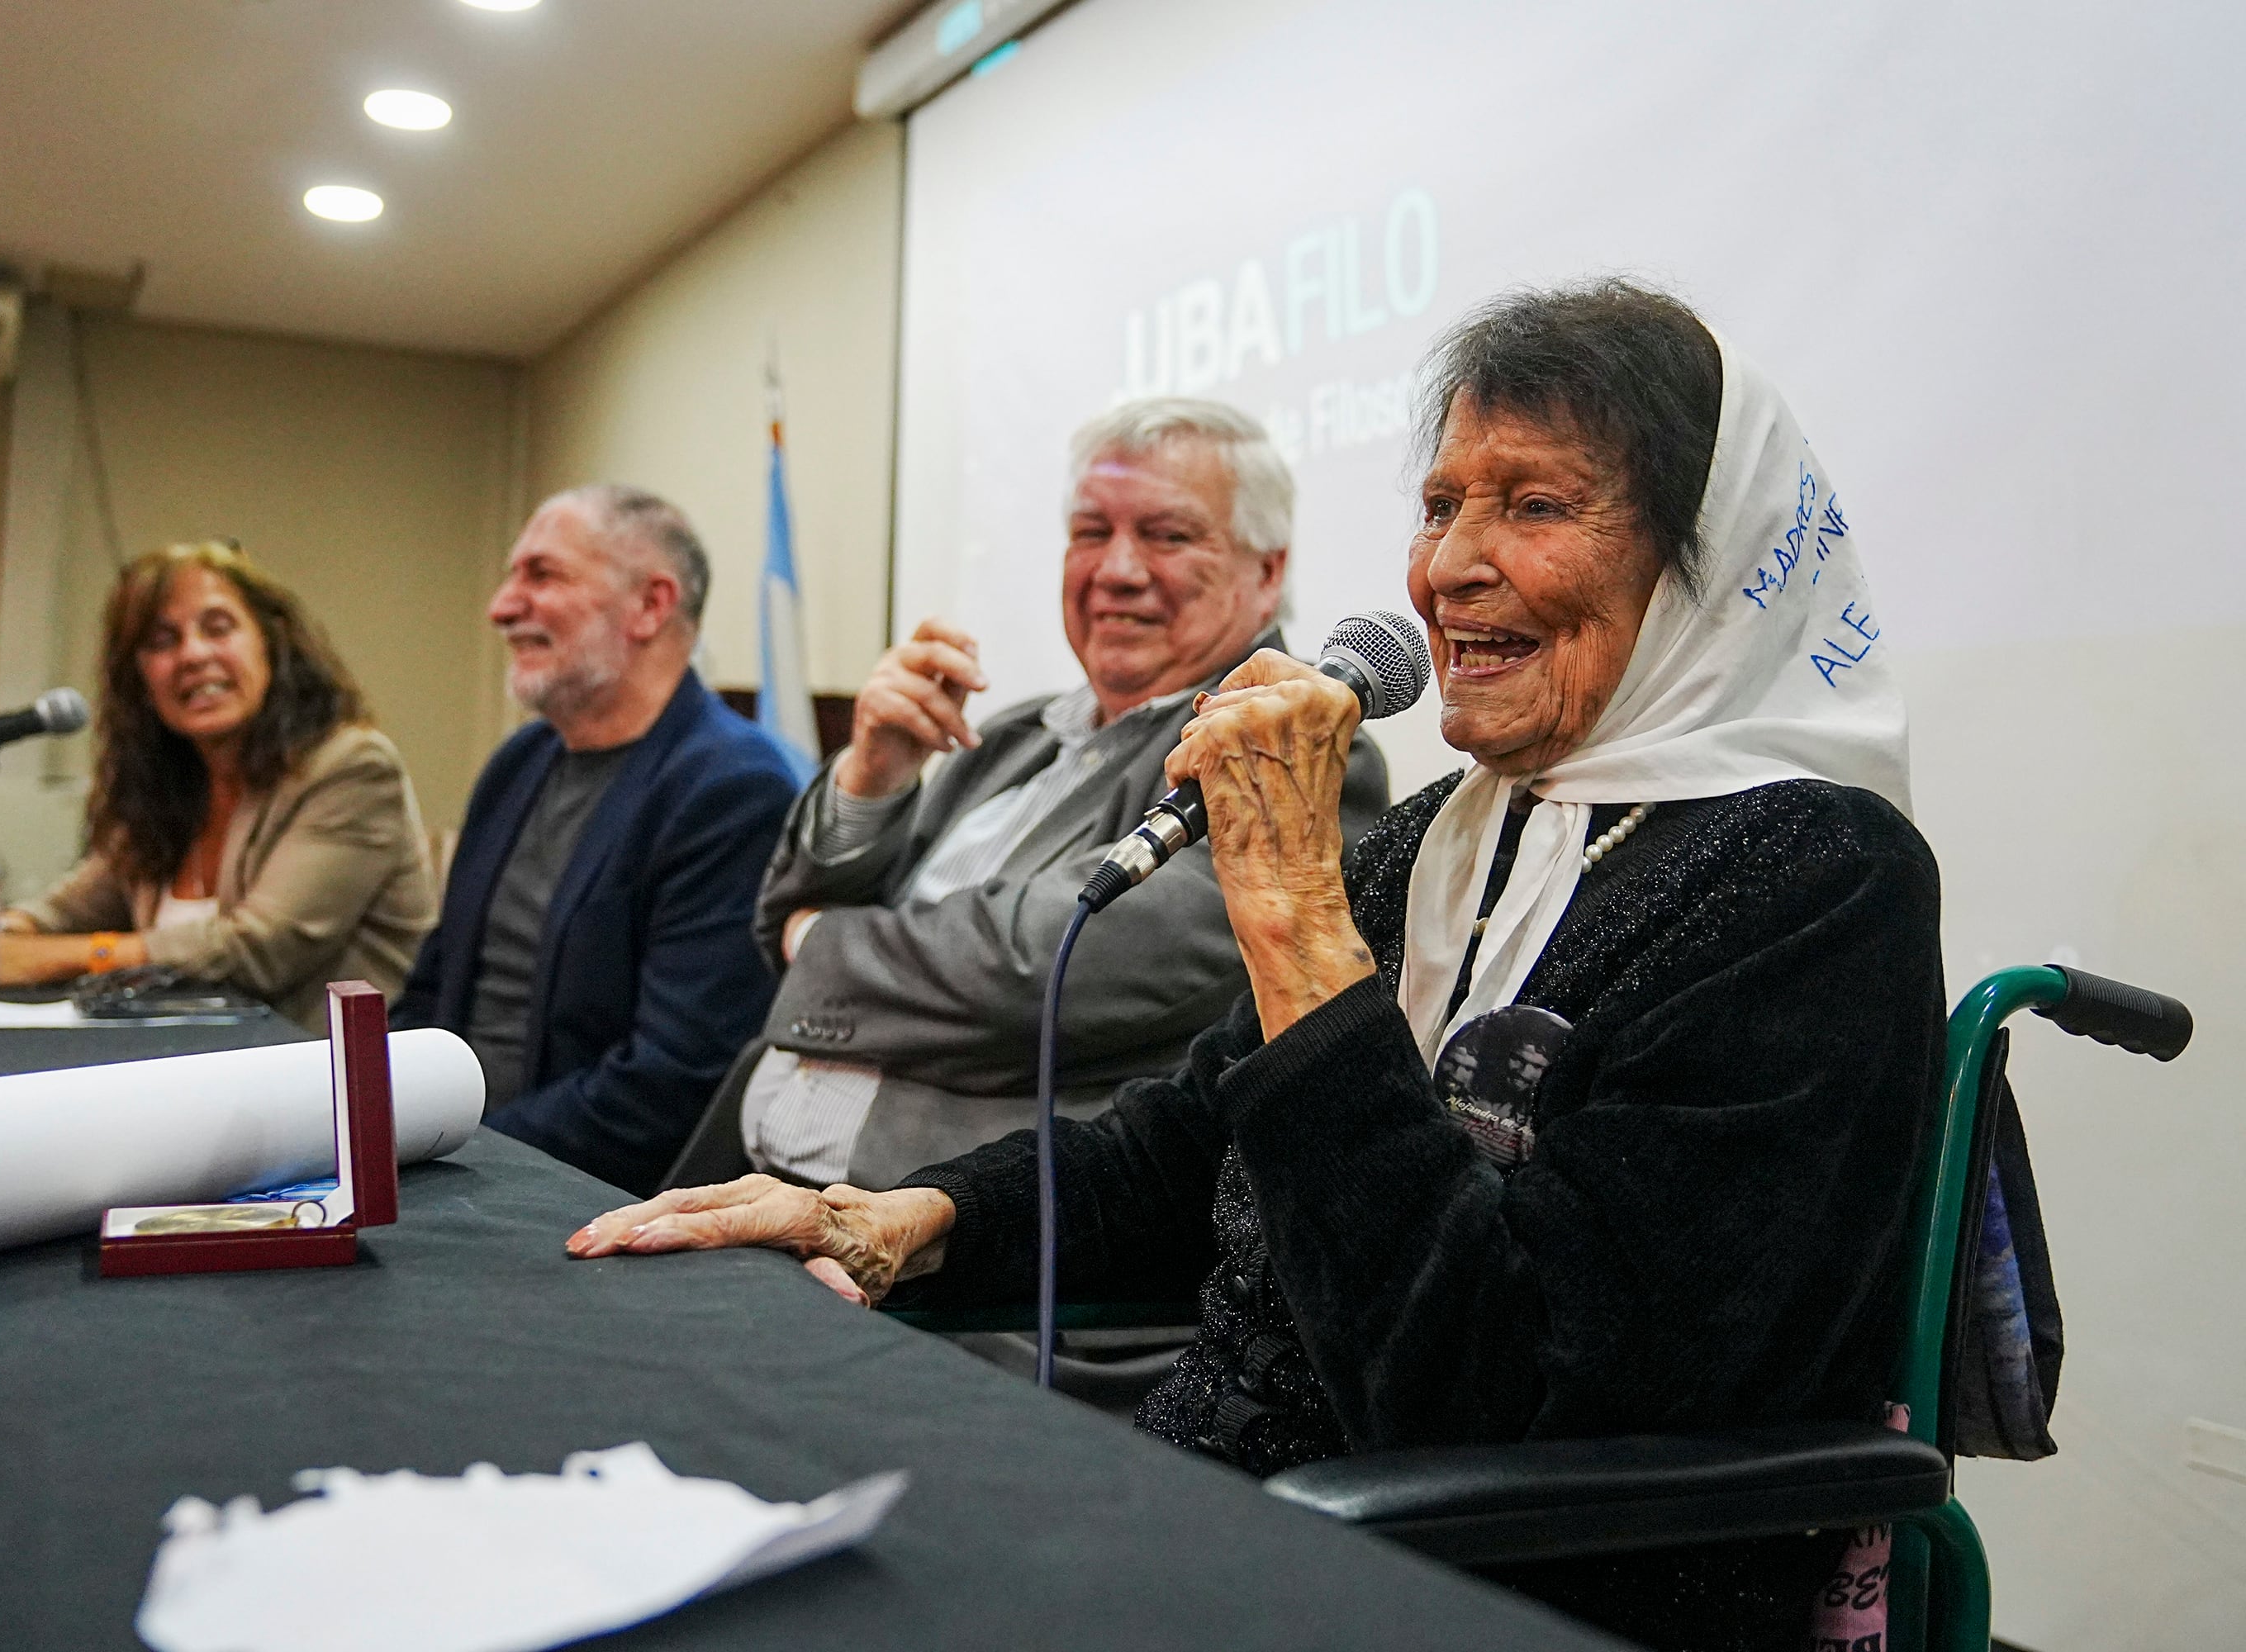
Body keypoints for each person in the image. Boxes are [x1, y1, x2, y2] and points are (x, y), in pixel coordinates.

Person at [567, 283, 1944, 1650]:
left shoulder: (1815, 877)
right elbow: (1184, 1147)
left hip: (1475, 1576)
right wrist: (908, 1215)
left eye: (1532, 506)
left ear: (1704, 553)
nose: (1449, 566)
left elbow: (1509, 1394)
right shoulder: (1447, 838)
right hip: (1225, 1502)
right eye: (1440, 503)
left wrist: (1292, 918)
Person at [742, 399, 1389, 1191]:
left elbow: (1036, 969)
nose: (1117, 571)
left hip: (943, 1241)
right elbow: (776, 919)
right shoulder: (1016, 734)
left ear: (1268, 571)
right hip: (748, 1172)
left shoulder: (1293, 750)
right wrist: (871, 778)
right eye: (1091, 532)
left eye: (1168, 534)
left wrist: (817, 944)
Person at [392, 487, 797, 1196]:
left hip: (571, 1199)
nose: (501, 606)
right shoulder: (518, 764)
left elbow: (667, 1086)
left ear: (650, 605)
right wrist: (363, 1116)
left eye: (541, 575)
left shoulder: (732, 790)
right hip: (445, 1168)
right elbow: (432, 991)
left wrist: (464, 1160)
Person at [0, 541, 435, 1033]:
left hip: (326, 1088)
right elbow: (79, 904)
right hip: (191, 1066)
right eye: (162, 641)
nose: (193, 655)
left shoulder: (351, 766)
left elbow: (261, 948)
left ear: (272, 643)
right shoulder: (174, 779)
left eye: (218, 628)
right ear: (139, 679)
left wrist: (41, 958)